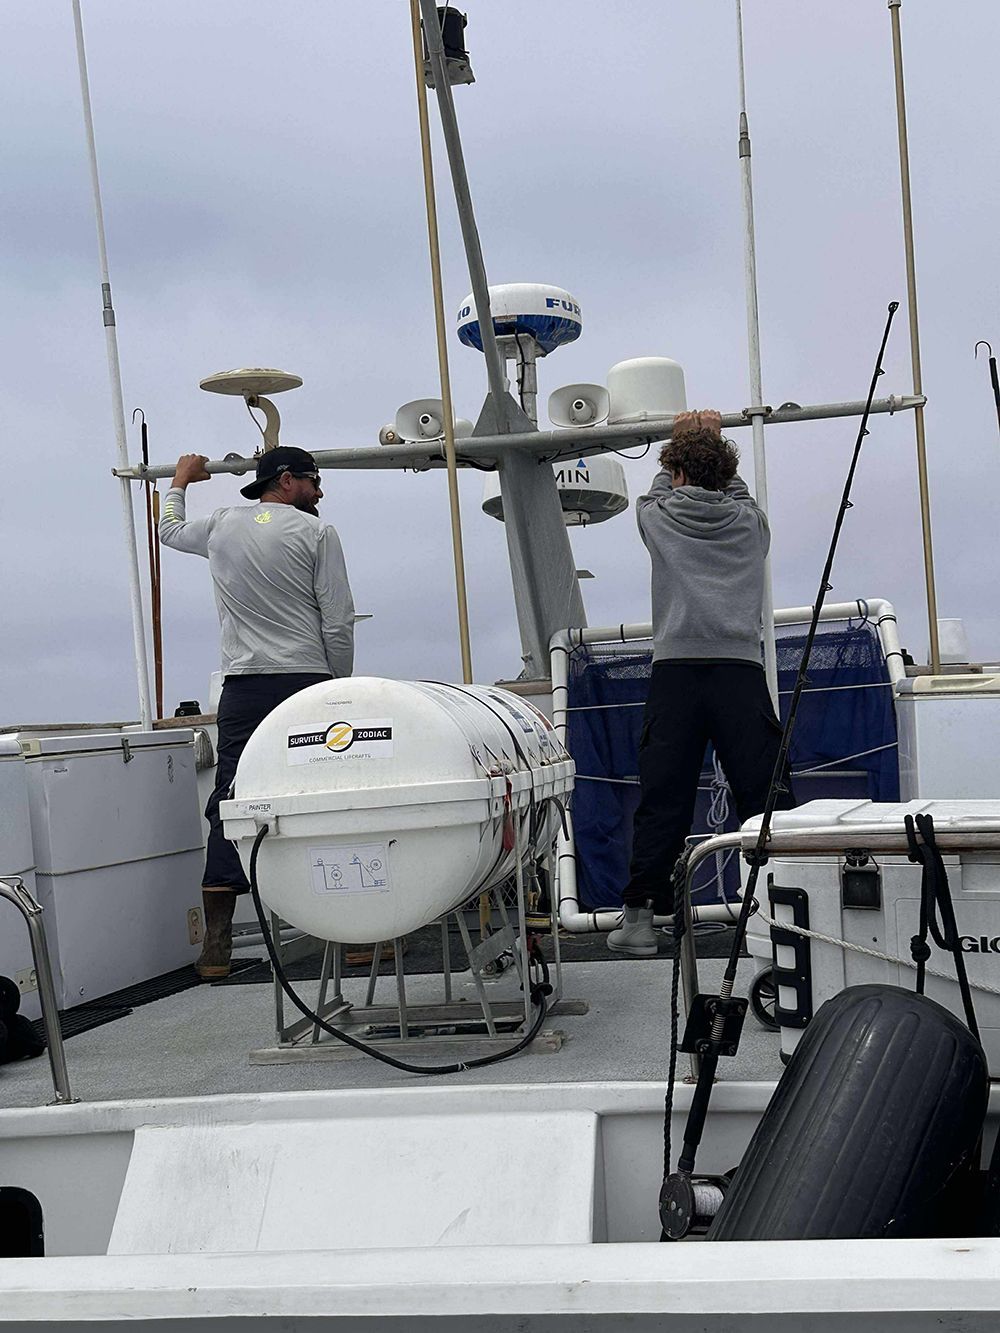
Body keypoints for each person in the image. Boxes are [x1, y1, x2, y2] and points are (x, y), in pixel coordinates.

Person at [159, 445, 355, 978]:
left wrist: (180, 480)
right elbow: (336, 619)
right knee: (325, 793)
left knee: (230, 797)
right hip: (305, 683)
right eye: (314, 480)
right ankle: (353, 931)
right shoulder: (318, 534)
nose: (320, 491)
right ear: (287, 481)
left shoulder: (222, 524)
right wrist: (338, 686)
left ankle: (217, 947)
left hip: (243, 688)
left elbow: (169, 531)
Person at [608, 409, 793, 956]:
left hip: (677, 676)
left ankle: (640, 920)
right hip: (740, 672)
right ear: (724, 473)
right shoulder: (749, 525)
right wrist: (708, 440)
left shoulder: (659, 517)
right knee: (764, 796)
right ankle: (787, 902)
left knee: (663, 796)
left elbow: (656, 491)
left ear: (678, 472)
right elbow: (738, 496)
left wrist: (684, 438)